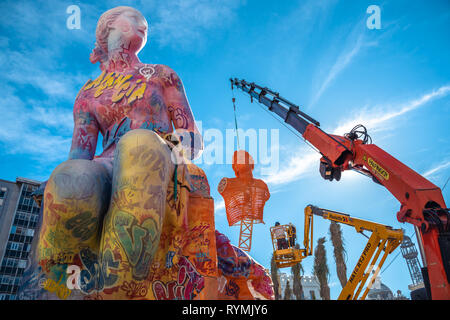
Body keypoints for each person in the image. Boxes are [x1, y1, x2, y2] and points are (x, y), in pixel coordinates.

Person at [35, 6, 203, 299]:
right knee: (69, 177)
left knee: (138, 146)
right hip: (108, 165)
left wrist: (165, 150)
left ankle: (121, 289)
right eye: (136, 19)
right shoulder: (88, 93)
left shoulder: (162, 76)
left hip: (158, 158)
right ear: (108, 26)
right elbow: (80, 156)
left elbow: (192, 140)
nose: (144, 26)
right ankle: (70, 281)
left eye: (146, 25)